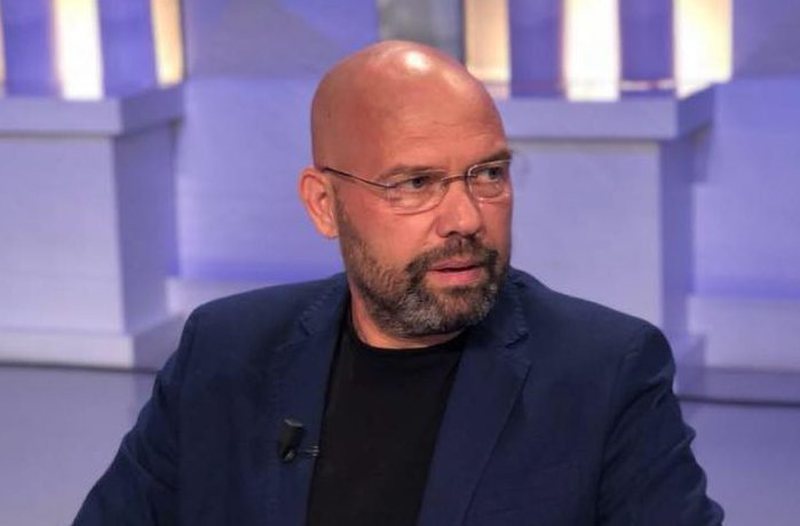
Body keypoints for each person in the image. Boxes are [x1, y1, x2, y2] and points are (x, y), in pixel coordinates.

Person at [74, 41, 723, 525]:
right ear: (324, 204)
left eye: (488, 174)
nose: (466, 218)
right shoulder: (224, 350)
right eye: (415, 183)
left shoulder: (605, 372)